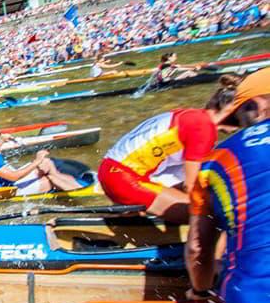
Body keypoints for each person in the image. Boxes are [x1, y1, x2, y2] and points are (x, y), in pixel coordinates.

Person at [186, 68, 270, 303]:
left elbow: (197, 249)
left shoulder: (214, 162)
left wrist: (199, 291)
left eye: (238, 120)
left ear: (258, 107)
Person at [98, 75, 240, 223]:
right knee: (210, 212)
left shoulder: (192, 115)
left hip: (111, 170)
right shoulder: (203, 128)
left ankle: (130, 213)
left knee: (206, 177)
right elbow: (191, 185)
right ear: (230, 111)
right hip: (122, 178)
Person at [0, 123, 82, 193]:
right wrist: (36, 161)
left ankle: (70, 184)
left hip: (9, 182)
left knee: (46, 163)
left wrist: (1, 140)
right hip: (9, 190)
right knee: (49, 180)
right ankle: (80, 193)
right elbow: (14, 177)